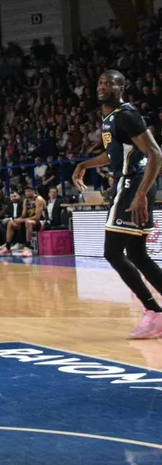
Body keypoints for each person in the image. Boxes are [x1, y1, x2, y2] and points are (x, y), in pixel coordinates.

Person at [73, 70, 162, 338]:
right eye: (99, 82)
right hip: (129, 183)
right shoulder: (111, 119)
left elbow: (156, 153)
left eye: (108, 83)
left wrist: (140, 193)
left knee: (112, 252)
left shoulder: (127, 115)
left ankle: (153, 312)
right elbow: (114, 155)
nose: (102, 86)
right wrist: (85, 164)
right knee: (137, 254)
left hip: (133, 184)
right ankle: (156, 313)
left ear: (120, 87)